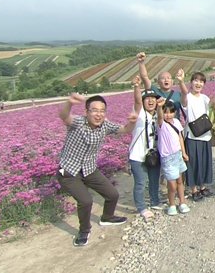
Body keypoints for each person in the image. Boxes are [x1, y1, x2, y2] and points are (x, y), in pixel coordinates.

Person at [57, 93, 136, 247]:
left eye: (102, 111)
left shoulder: (105, 126)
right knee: (86, 200)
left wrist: (132, 122)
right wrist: (69, 103)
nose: (98, 114)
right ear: (86, 112)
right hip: (69, 171)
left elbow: (125, 129)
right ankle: (84, 230)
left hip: (89, 169)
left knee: (112, 194)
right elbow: (65, 116)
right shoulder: (78, 122)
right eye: (94, 110)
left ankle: (107, 217)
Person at [129, 76, 162, 222]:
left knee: (154, 179)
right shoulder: (140, 113)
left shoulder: (156, 115)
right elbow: (137, 101)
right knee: (141, 183)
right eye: (147, 98)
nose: (150, 101)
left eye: (153, 98)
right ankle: (142, 207)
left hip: (153, 154)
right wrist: (137, 86)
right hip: (138, 155)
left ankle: (155, 201)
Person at [180, 71, 214, 201]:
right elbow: (183, 95)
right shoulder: (187, 97)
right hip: (192, 136)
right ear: (191, 82)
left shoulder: (205, 98)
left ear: (204, 84)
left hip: (205, 135)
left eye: (201, 81)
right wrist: (181, 81)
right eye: (195, 80)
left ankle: (202, 187)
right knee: (193, 163)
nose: (198, 83)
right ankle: (194, 190)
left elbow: (214, 104)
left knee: (204, 162)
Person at [156, 99, 190, 215]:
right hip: (168, 158)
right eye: (166, 112)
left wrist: (184, 153)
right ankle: (171, 204)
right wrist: (160, 107)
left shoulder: (176, 122)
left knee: (180, 181)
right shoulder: (161, 124)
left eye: (171, 112)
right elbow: (160, 117)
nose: (168, 115)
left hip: (178, 155)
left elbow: (180, 137)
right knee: (172, 184)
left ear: (175, 112)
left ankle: (182, 202)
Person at [137, 52, 183, 119]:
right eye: (163, 78)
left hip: (173, 126)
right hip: (158, 126)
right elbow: (144, 77)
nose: (166, 80)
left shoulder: (178, 94)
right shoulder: (154, 91)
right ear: (158, 82)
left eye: (168, 78)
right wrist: (141, 63)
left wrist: (181, 81)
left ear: (172, 82)